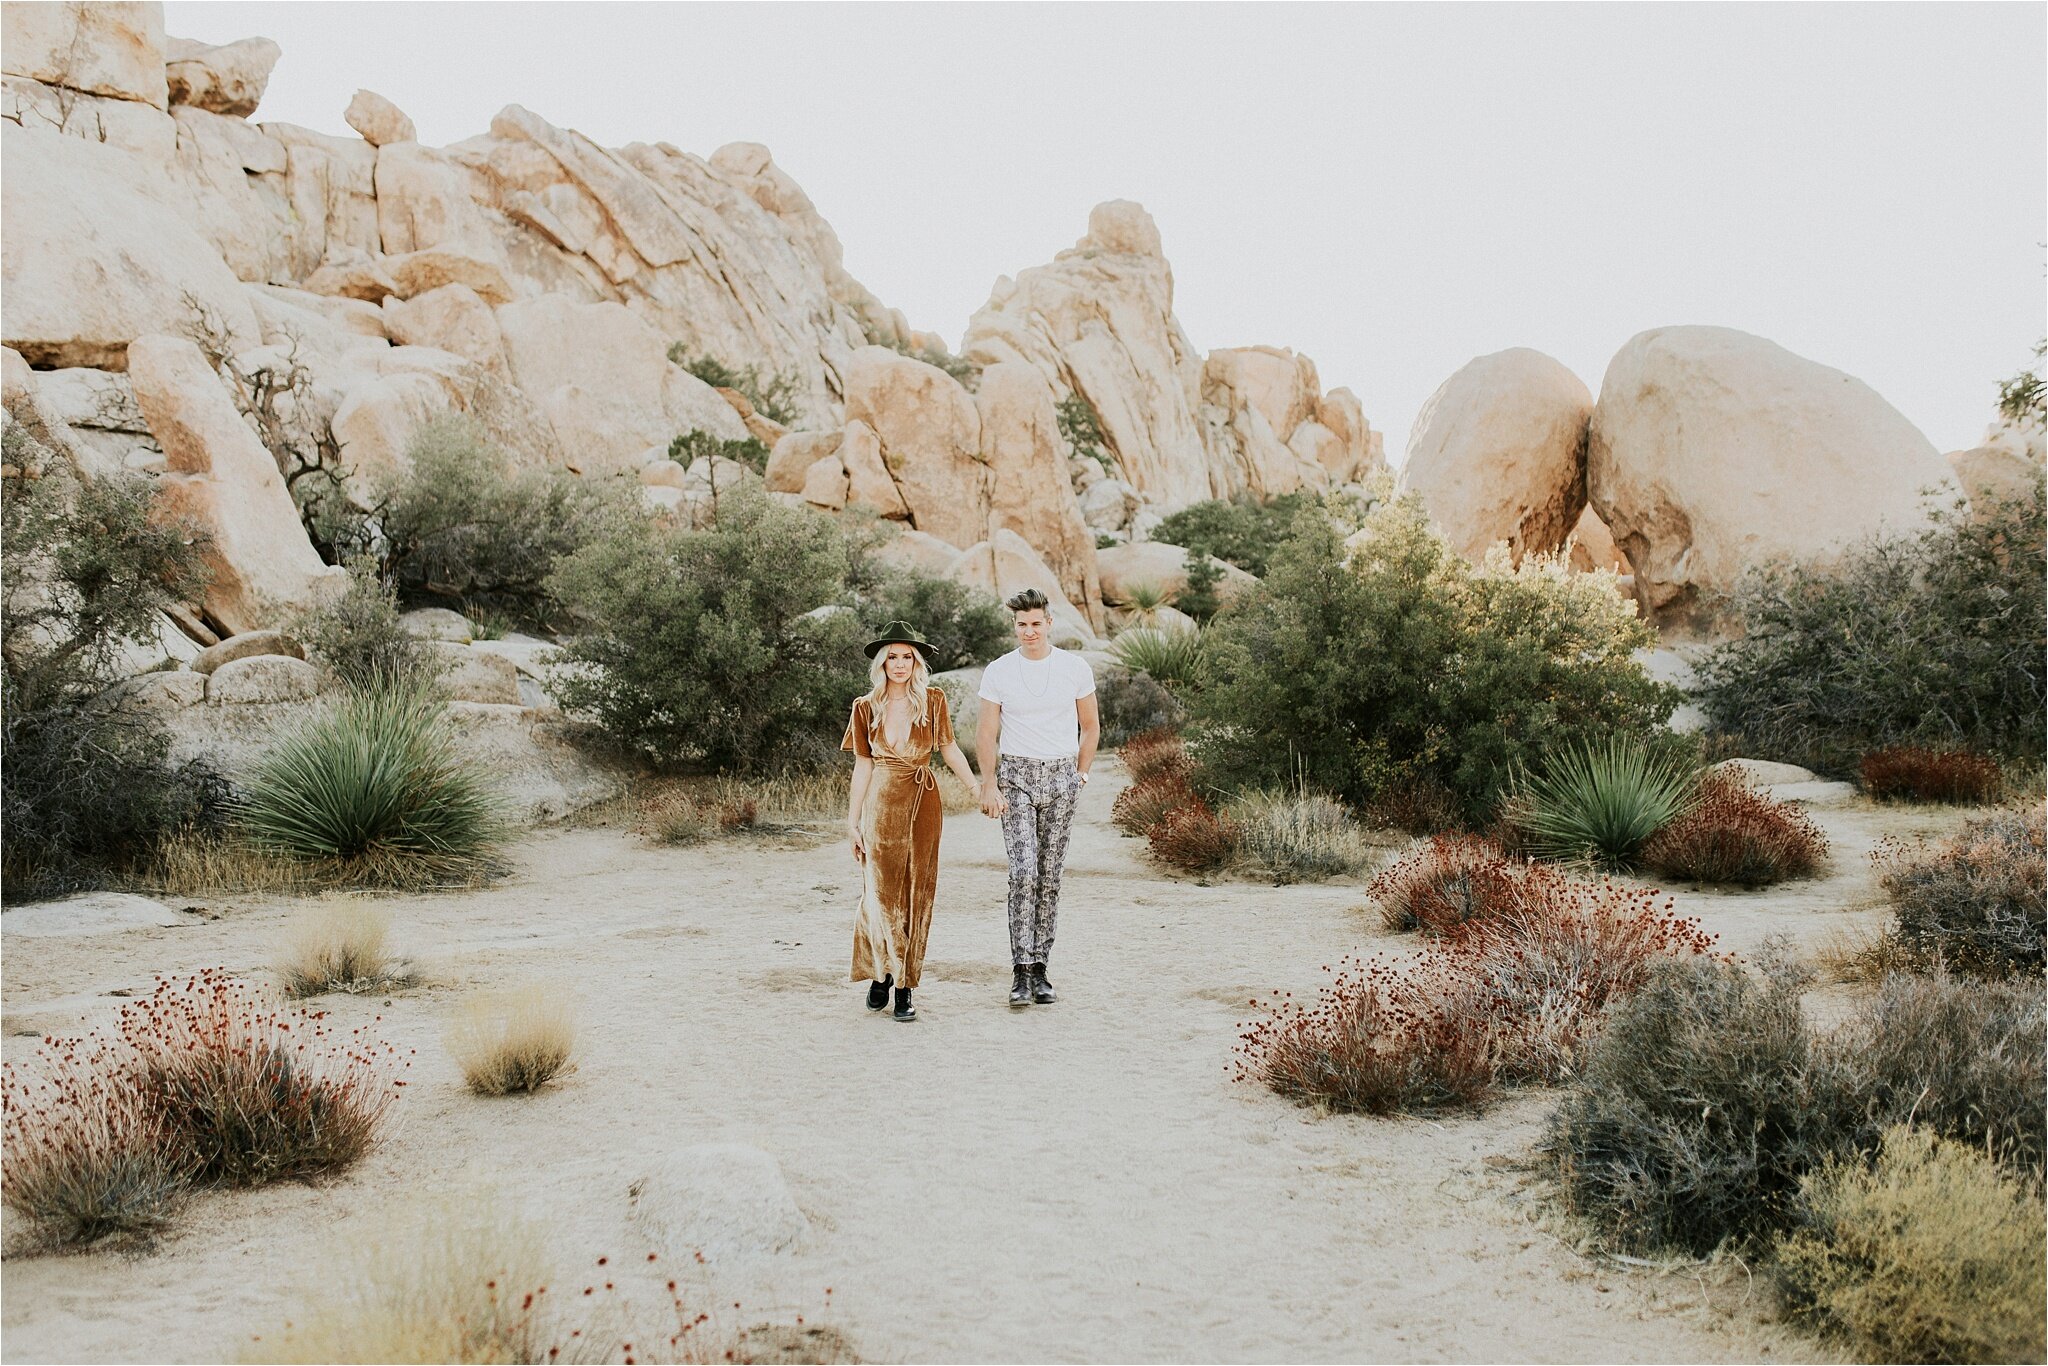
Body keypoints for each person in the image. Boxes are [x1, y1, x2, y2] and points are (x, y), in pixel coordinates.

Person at [843, 620, 980, 1023]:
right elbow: (862, 766)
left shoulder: (933, 701)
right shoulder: (864, 707)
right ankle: (881, 972)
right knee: (880, 894)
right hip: (882, 805)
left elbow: (950, 749)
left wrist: (976, 789)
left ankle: (904, 985)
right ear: (881, 664)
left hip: (924, 803)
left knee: (918, 892)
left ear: (916, 662)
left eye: (907, 657)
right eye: (892, 657)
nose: (899, 664)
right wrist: (852, 823)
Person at [976, 588, 1100, 1008]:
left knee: (1050, 877)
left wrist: (1080, 775)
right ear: (1014, 626)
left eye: (1035, 623)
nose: (1029, 631)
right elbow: (986, 733)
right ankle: (1019, 970)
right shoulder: (998, 671)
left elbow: (1091, 725)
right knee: (1024, 872)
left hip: (1062, 777)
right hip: (1016, 776)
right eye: (1021, 625)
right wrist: (988, 783)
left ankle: (1041, 969)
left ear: (1049, 623)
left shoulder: (1074, 667)